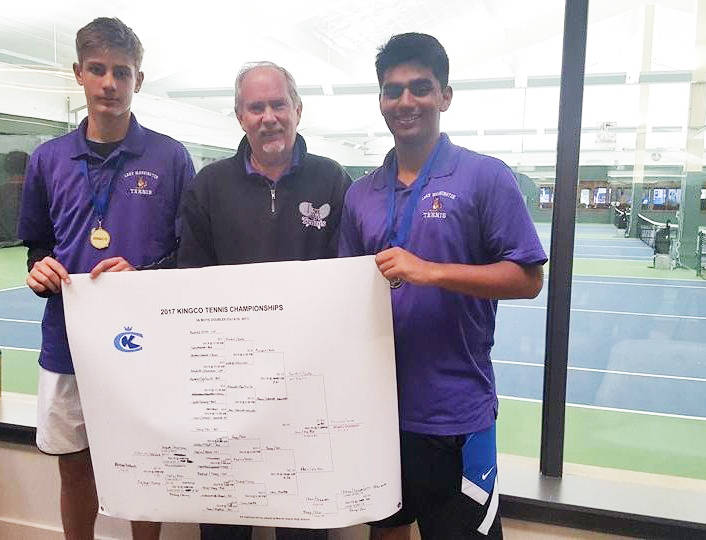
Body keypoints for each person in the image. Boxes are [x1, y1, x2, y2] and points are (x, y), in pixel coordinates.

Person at [338, 33, 547, 540]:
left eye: (420, 88)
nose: (405, 101)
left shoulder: (485, 177)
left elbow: (528, 278)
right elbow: (344, 294)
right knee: (387, 532)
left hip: (456, 414)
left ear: (445, 96)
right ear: (381, 102)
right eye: (393, 91)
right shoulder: (361, 193)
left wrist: (430, 270)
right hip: (381, 411)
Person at [17, 17, 195, 540]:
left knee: (146, 469)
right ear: (79, 74)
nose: (109, 83)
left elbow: (189, 255)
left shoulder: (170, 157)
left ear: (138, 79)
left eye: (122, 71)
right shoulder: (48, 159)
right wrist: (38, 268)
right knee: (75, 470)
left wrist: (142, 275)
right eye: (98, 70)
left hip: (145, 345)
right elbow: (37, 243)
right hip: (67, 343)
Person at [177, 61, 352, 540]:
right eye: (256, 107)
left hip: (307, 385)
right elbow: (190, 278)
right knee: (225, 524)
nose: (269, 117)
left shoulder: (332, 180)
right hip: (230, 387)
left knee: (304, 525)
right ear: (240, 117)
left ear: (298, 110)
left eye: (278, 104)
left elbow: (347, 277)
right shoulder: (209, 186)